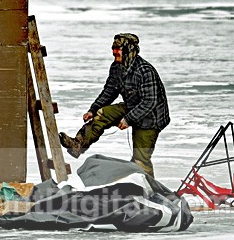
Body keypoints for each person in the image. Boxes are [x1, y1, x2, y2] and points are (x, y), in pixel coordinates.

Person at [59, 33, 170, 177]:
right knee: (102, 114)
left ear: (129, 50)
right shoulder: (116, 67)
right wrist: (93, 109)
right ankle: (78, 144)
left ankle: (152, 192)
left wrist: (128, 119)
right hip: (132, 106)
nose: (114, 52)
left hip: (151, 117)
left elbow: (150, 102)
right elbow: (109, 91)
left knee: (140, 160)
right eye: (113, 48)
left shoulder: (145, 71)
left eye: (118, 49)